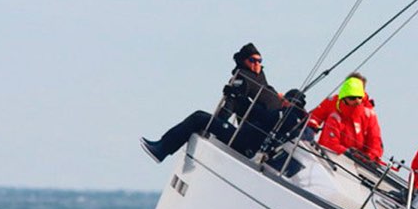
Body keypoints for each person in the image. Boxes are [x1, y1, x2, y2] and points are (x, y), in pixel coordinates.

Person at [141, 43, 284, 162]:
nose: (257, 64)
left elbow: (231, 103)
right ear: (244, 61)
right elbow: (234, 104)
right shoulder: (259, 81)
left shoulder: (243, 78)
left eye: (259, 61)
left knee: (198, 117)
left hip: (246, 140)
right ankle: (162, 147)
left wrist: (217, 123)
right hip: (255, 137)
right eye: (253, 60)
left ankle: (161, 150)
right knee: (208, 115)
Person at [315, 76, 384, 162]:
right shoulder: (335, 117)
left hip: (360, 165)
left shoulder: (369, 115)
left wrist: (370, 157)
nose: (356, 100)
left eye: (359, 97)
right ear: (344, 98)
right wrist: (349, 153)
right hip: (330, 160)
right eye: (352, 98)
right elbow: (329, 143)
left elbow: (375, 140)